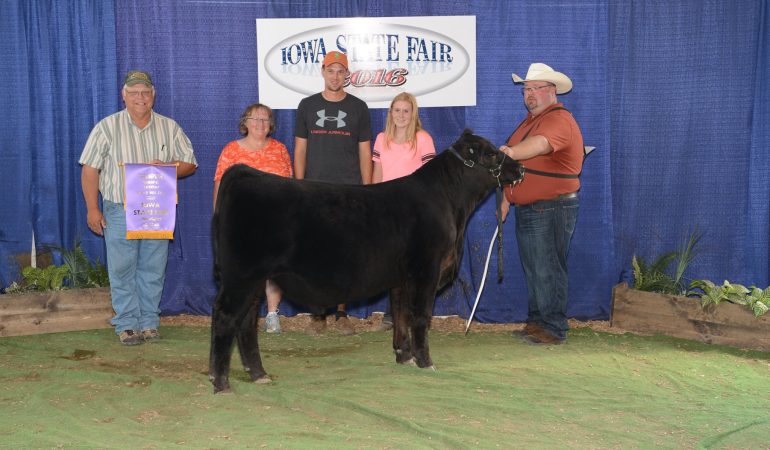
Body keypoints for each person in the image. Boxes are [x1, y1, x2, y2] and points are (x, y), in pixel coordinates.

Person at [80, 70, 198, 345]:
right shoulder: (107, 127)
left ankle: (148, 322)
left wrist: (168, 167)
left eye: (145, 92)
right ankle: (126, 324)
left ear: (153, 95)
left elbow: (190, 163)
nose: (140, 97)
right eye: (133, 92)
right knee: (122, 268)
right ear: (124, 96)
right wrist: (92, 209)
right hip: (119, 208)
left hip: (157, 207)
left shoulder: (169, 127)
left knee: (153, 268)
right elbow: (89, 169)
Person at [498, 63, 584, 345]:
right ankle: (537, 324)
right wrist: (506, 198)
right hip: (532, 207)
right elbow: (516, 168)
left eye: (536, 88)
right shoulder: (529, 120)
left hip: (551, 206)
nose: (529, 94)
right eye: (526, 89)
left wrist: (511, 151)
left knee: (547, 267)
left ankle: (552, 328)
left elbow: (541, 145)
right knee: (535, 268)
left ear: (552, 91)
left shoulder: (558, 120)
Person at [294, 50, 372, 336]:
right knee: (315, 253)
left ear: (346, 75)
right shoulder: (306, 105)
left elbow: (365, 152)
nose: (335, 76)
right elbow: (300, 149)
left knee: (345, 254)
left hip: (349, 191)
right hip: (313, 190)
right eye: (331, 70)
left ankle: (341, 313)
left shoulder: (359, 108)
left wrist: (367, 191)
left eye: (341, 71)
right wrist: (298, 188)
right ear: (322, 71)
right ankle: (318, 314)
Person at [213, 103, 292, 334]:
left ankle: (272, 314)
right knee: (241, 269)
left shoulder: (280, 150)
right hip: (241, 222)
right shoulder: (231, 151)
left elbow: (290, 187)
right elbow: (220, 186)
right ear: (245, 123)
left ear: (271, 125)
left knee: (275, 269)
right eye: (255, 119)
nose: (260, 124)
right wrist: (219, 218)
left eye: (265, 120)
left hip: (275, 221)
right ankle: (242, 313)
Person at [372, 92, 436, 330]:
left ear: (413, 114)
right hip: (386, 208)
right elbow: (377, 173)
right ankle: (392, 315)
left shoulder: (423, 139)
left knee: (413, 263)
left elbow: (432, 177)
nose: (401, 115)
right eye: (396, 110)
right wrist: (371, 202)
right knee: (391, 262)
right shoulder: (381, 139)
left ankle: (413, 313)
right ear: (390, 113)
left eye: (405, 111)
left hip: (414, 210)